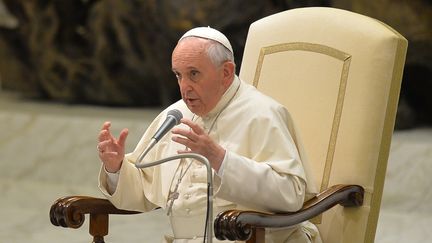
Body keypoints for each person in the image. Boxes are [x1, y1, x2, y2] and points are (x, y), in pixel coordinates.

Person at [97, 26, 321, 243]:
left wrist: (220, 159)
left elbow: (291, 194)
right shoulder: (175, 115)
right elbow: (143, 190)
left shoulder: (262, 114)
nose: (184, 87)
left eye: (194, 74)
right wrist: (116, 168)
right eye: (178, 75)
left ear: (226, 73)